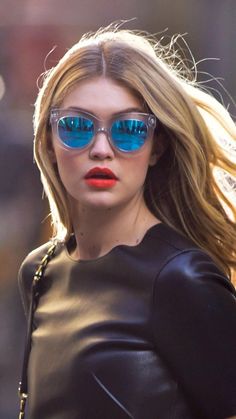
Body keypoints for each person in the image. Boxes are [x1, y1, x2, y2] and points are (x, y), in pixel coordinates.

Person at [18, 24, 236, 419]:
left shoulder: (181, 278)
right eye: (77, 126)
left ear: (158, 146)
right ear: (49, 140)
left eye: (130, 129)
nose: (102, 149)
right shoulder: (39, 272)